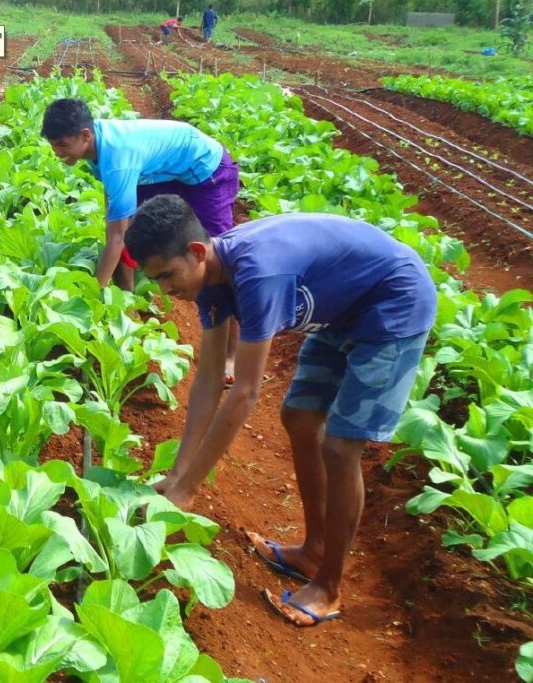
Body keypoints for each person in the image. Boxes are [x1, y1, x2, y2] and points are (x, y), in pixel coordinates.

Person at [124, 197, 436, 628]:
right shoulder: (209, 282)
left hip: (392, 304)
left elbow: (245, 391)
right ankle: (312, 552)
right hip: (341, 311)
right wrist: (178, 475)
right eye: (155, 279)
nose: (163, 289)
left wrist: (190, 488)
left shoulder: (258, 274)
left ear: (196, 252)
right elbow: (210, 376)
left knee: (341, 446)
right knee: (300, 416)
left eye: (166, 275)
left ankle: (329, 587)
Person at [41, 98, 240, 381]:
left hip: (206, 170)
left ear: (85, 135)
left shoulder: (117, 159)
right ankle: (128, 305)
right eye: (53, 145)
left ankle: (230, 358)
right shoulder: (95, 148)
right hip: (163, 173)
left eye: (61, 145)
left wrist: (94, 298)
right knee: (134, 232)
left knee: (218, 264)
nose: (57, 152)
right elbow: (116, 218)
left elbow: (116, 237)